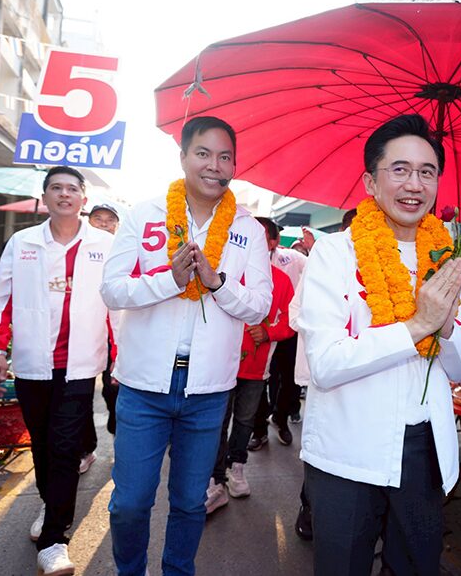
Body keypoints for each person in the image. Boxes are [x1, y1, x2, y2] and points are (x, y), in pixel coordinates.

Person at [298, 114, 461, 575]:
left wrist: (445, 327)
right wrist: (417, 325)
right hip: (347, 450)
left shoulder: (446, 257)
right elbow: (326, 364)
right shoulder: (334, 254)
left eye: (427, 171)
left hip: (423, 450)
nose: (414, 184)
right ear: (370, 182)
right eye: (399, 169)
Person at [102, 116, 271, 576]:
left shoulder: (248, 229)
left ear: (234, 165)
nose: (214, 165)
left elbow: (259, 306)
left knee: (190, 501)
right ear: (182, 158)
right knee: (130, 503)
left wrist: (217, 283)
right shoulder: (145, 214)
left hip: (208, 392)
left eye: (225, 157)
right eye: (203, 153)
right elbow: (112, 290)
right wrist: (169, 281)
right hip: (143, 386)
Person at [0, 166, 114, 576]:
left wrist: (120, 357)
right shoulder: (22, 242)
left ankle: (55, 540)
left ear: (83, 199)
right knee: (41, 444)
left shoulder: (104, 244)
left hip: (79, 366)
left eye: (72, 188)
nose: (64, 194)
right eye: (56, 188)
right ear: (45, 198)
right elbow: (1, 299)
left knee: (65, 448)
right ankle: (50, 501)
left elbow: (116, 304)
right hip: (31, 365)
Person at [205, 258, 294, 514]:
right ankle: (215, 478)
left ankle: (237, 467)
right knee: (219, 422)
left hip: (256, 368)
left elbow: (292, 319)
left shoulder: (281, 279)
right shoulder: (224, 270)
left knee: (245, 421)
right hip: (221, 364)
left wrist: (269, 333)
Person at [293, 207, 356, 543]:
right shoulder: (327, 258)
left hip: (365, 383)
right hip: (326, 375)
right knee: (320, 445)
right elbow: (296, 312)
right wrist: (325, 331)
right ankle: (309, 508)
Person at [248, 217, 307, 450]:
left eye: (261, 235)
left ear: (274, 241)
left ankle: (281, 420)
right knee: (258, 381)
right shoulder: (241, 261)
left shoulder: (291, 258)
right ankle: (259, 430)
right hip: (259, 331)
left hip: (288, 328)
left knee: (289, 380)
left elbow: (317, 270)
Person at [78, 204, 122, 473]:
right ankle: (85, 448)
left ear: (117, 225)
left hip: (115, 333)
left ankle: (119, 439)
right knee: (80, 392)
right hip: (84, 331)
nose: (104, 224)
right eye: (98, 219)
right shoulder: (79, 249)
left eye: (109, 220)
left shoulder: (124, 249)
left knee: (113, 390)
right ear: (89, 221)